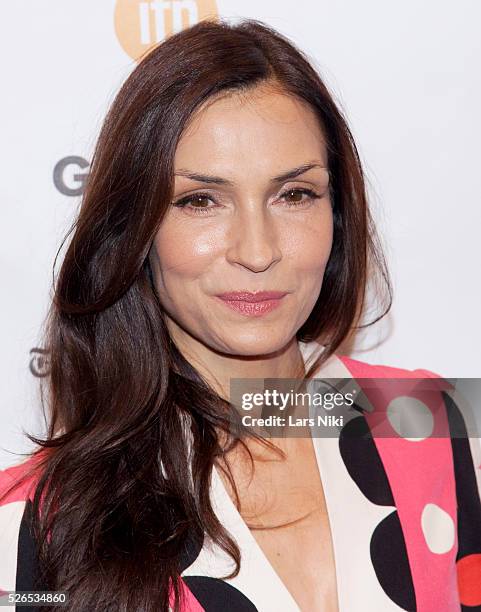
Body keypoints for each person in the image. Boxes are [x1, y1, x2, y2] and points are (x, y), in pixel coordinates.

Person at [1, 17, 480, 612]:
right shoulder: (35, 524)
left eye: (294, 195)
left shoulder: (442, 425)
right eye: (201, 201)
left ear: (338, 213)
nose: (257, 251)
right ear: (134, 232)